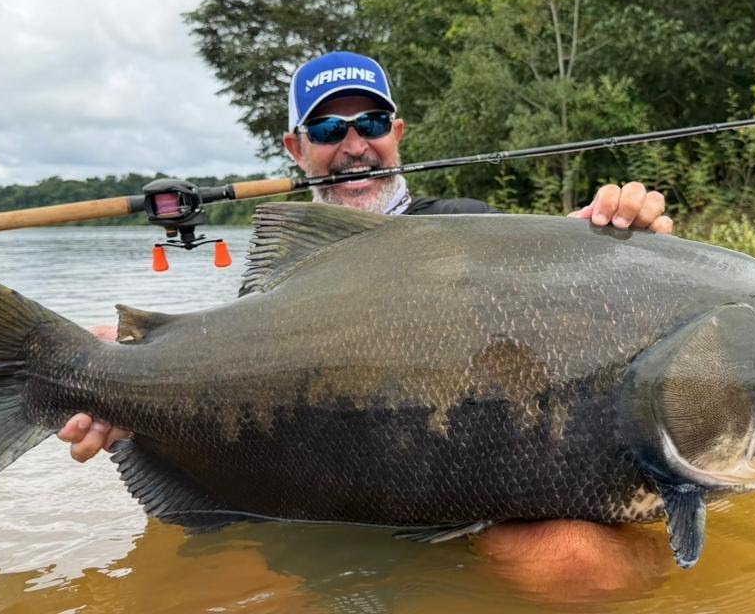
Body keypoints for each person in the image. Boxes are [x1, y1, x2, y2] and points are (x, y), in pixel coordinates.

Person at [59, 51, 675, 593]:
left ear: (397, 132)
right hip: (322, 495)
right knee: (200, 586)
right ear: (295, 149)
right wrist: (122, 373)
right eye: (328, 128)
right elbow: (226, 369)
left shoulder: (469, 222)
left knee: (577, 568)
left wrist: (607, 241)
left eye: (372, 124)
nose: (354, 145)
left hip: (478, 488)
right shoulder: (283, 272)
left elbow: (540, 287)